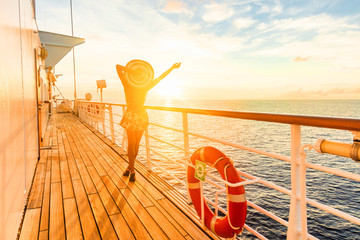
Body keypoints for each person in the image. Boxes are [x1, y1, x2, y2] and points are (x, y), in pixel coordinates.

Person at [116, 61, 181, 181]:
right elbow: (161, 78)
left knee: (131, 143)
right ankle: (131, 168)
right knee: (136, 144)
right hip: (142, 115)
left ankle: (132, 168)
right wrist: (172, 67)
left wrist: (130, 70)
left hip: (131, 115)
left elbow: (118, 67)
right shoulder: (146, 86)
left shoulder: (127, 84)